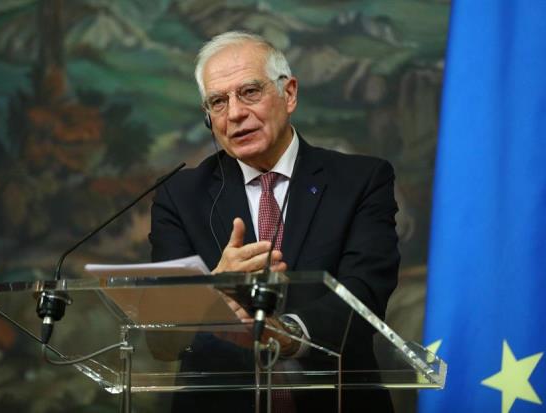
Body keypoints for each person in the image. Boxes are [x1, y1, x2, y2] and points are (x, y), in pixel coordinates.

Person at [149, 31, 400, 412]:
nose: (234, 113)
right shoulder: (180, 196)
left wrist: (290, 334)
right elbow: (161, 338)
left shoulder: (361, 181)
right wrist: (213, 290)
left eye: (249, 92)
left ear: (289, 94)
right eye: (218, 101)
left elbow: (365, 291)